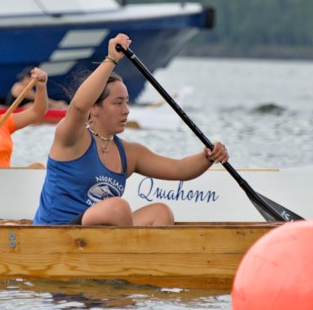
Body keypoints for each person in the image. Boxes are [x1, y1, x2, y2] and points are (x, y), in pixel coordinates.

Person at [33, 34, 228, 227]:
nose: (126, 110)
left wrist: (209, 157)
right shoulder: (72, 138)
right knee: (118, 208)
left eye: (127, 102)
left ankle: (140, 257)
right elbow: (77, 107)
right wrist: (111, 60)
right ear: (94, 107)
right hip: (57, 232)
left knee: (160, 213)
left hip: (97, 237)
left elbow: (179, 169)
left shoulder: (130, 153)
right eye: (118, 103)